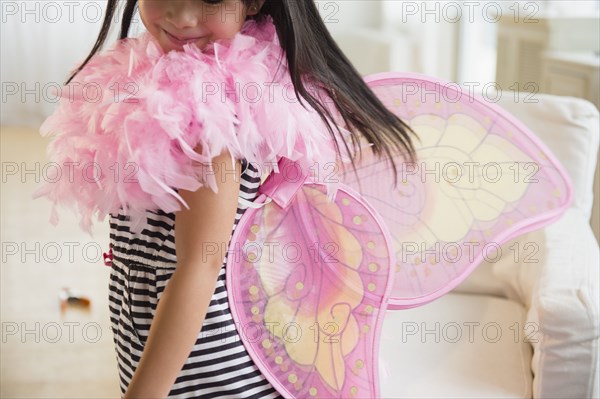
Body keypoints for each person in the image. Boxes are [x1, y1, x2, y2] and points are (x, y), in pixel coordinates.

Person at [37, 0, 419, 397]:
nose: (182, 17)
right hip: (161, 340)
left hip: (209, 369)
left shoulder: (208, 112)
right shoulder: (159, 80)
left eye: (212, 0)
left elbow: (198, 269)